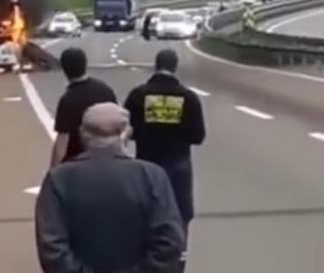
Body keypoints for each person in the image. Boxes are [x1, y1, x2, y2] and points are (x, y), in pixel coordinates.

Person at [36, 102, 185, 272]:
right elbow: (170, 241)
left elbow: (52, 247)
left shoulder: (59, 178)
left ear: (82, 134)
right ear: (126, 134)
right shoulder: (152, 175)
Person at [124, 49, 206, 272]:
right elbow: (198, 137)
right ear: (175, 66)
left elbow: (126, 131)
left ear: (155, 65)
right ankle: (178, 264)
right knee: (179, 220)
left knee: (145, 220)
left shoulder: (138, 96)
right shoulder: (188, 98)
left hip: (147, 168)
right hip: (178, 169)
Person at [51, 48, 117, 166]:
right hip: (108, 159)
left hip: (77, 162)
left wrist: (53, 170)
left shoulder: (68, 100)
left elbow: (62, 141)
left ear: (64, 69)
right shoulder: (105, 90)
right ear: (85, 65)